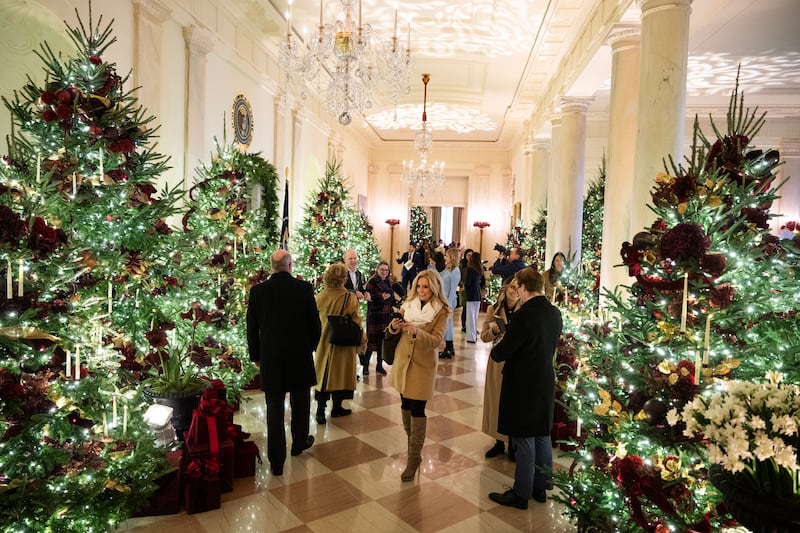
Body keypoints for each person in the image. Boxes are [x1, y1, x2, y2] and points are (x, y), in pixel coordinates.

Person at [488, 269, 563, 509]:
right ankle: (540, 486)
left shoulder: (523, 315)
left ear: (522, 287)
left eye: (517, 287)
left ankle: (521, 493)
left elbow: (503, 352)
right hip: (544, 379)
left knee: (523, 437)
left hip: (523, 382)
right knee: (542, 433)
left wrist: (498, 345)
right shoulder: (554, 313)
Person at [246, 250, 321, 476]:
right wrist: (309, 347)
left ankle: (277, 461)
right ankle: (298, 443)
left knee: (274, 409)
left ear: (272, 267)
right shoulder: (304, 289)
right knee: (301, 403)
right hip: (299, 356)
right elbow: (315, 325)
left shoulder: (258, 291)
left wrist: (256, 357)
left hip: (271, 358)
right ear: (290, 266)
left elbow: (252, 329)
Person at [386, 270, 450, 481]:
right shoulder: (408, 304)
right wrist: (394, 327)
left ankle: (414, 458)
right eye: (420, 286)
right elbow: (395, 330)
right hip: (403, 362)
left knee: (417, 409)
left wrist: (416, 330)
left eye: (426, 287)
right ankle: (411, 447)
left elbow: (437, 341)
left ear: (434, 288)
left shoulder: (441, 310)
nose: (422, 291)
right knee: (404, 405)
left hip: (423, 366)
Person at [314, 263, 365, 425]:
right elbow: (356, 321)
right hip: (344, 343)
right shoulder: (349, 297)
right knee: (341, 376)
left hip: (324, 342)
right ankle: (337, 408)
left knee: (324, 376)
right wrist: (363, 341)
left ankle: (320, 411)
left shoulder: (320, 296)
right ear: (343, 279)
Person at [479, 281, 520, 458]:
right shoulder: (493, 310)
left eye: (519, 288)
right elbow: (483, 336)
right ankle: (498, 441)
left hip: (516, 360)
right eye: (512, 287)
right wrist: (494, 330)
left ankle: (512, 442)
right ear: (506, 289)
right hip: (497, 361)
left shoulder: (524, 310)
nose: (515, 291)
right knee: (495, 400)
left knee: (512, 401)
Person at [364, 260, 396, 376]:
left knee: (382, 342)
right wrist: (380, 296)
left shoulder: (389, 282)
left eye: (386, 270)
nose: (384, 272)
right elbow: (367, 297)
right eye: (382, 270)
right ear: (378, 270)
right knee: (370, 342)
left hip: (385, 316)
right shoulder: (372, 282)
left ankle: (379, 365)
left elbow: (391, 297)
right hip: (374, 316)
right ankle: (365, 366)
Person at [343, 248, 371, 371]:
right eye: (351, 258)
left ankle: (359, 365)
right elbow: (340, 290)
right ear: (345, 260)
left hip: (355, 309)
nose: (354, 261)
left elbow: (360, 288)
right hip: (343, 310)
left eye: (355, 258)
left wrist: (366, 293)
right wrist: (355, 292)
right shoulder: (341, 273)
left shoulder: (358, 273)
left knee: (356, 336)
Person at [439, 247, 460, 359]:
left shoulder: (455, 271)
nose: (445, 257)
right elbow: (439, 275)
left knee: (448, 325)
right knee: (447, 325)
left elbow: (453, 290)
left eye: (447, 255)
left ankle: (449, 348)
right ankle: (448, 348)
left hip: (449, 301)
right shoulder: (448, 269)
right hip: (444, 300)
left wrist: (449, 305)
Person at [463, 251, 485, 343]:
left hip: (471, 294)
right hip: (477, 295)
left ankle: (471, 337)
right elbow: (483, 282)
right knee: (475, 316)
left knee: (470, 317)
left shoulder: (470, 269)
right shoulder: (480, 269)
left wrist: (464, 288)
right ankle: (474, 335)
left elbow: (468, 283)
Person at [458, 248, 473, 332]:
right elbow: (458, 277)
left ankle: (470, 326)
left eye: (471, 255)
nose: (470, 257)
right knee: (465, 308)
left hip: (471, 289)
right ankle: (464, 326)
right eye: (468, 255)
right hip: (464, 289)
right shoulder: (462, 266)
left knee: (471, 309)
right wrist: (461, 284)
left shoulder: (474, 265)